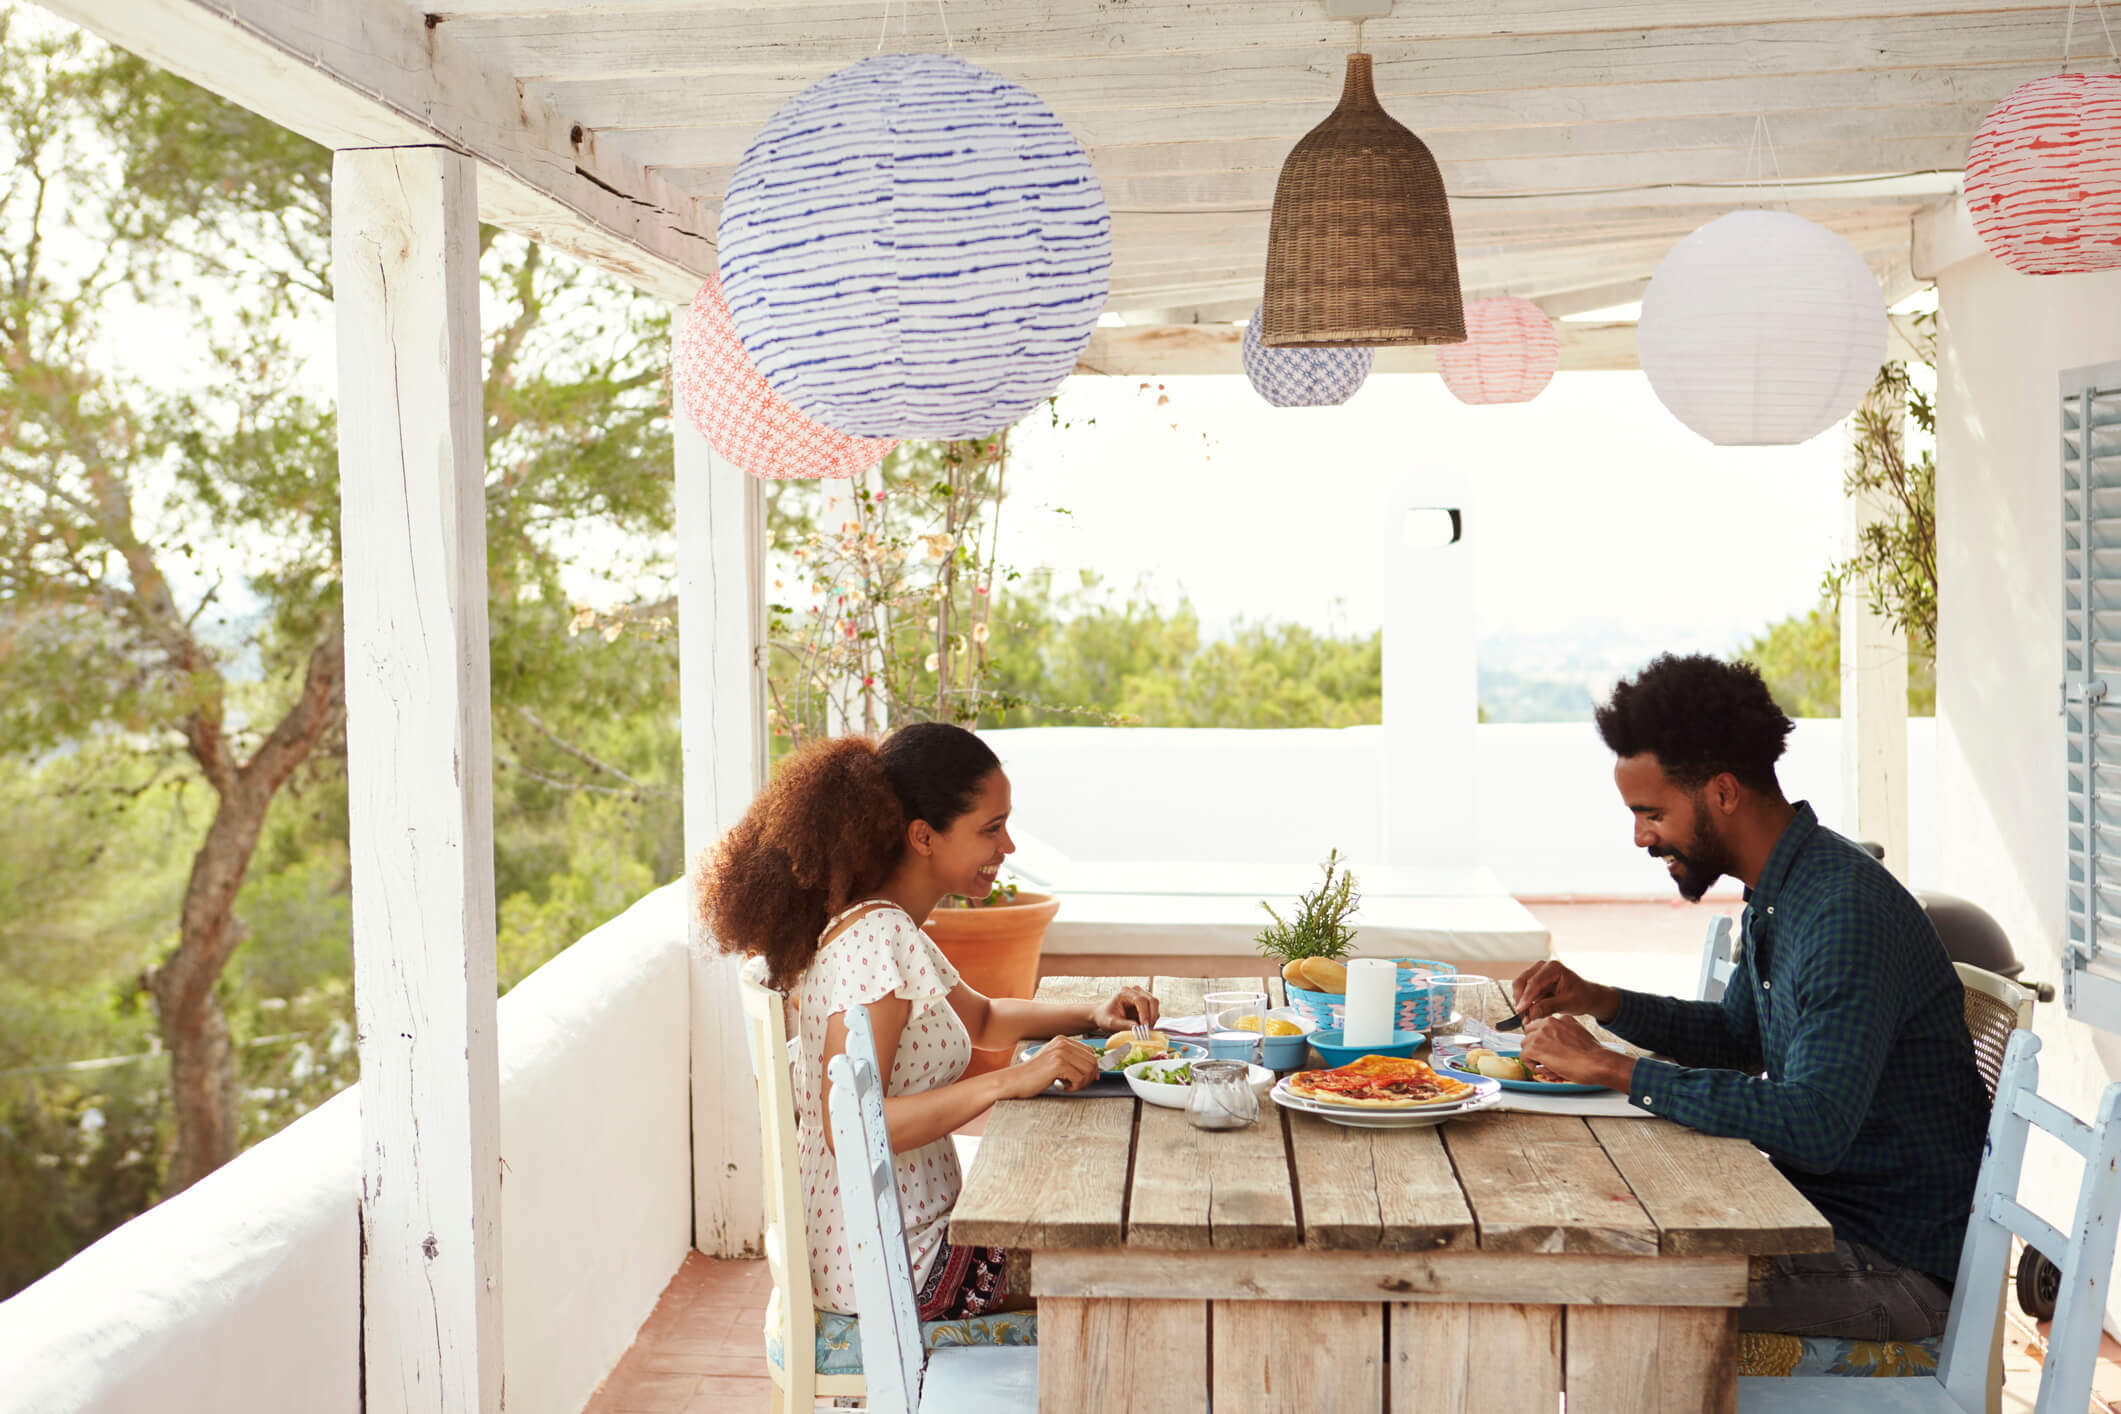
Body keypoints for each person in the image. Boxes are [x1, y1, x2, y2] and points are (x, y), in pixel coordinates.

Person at [1512, 653, 1987, 1341]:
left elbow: (1813, 1125)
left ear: (1723, 793)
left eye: (1651, 813)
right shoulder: (1785, 887)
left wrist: (1615, 1068)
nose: (1640, 837)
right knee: (1598, 1237)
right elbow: (1739, 1036)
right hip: (1816, 1219)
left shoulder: (1842, 912)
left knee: (1611, 1291)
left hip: (1896, 1270)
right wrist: (1601, 1000)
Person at [697, 722, 1158, 1320]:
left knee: (1095, 1227)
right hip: (892, 1265)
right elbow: (852, 1128)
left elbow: (987, 1017)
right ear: (924, 836)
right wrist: (1007, 1081)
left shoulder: (884, 925)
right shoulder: (874, 942)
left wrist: (1092, 1013)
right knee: (1116, 1264)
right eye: (991, 829)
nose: (1009, 846)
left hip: (892, 1244)